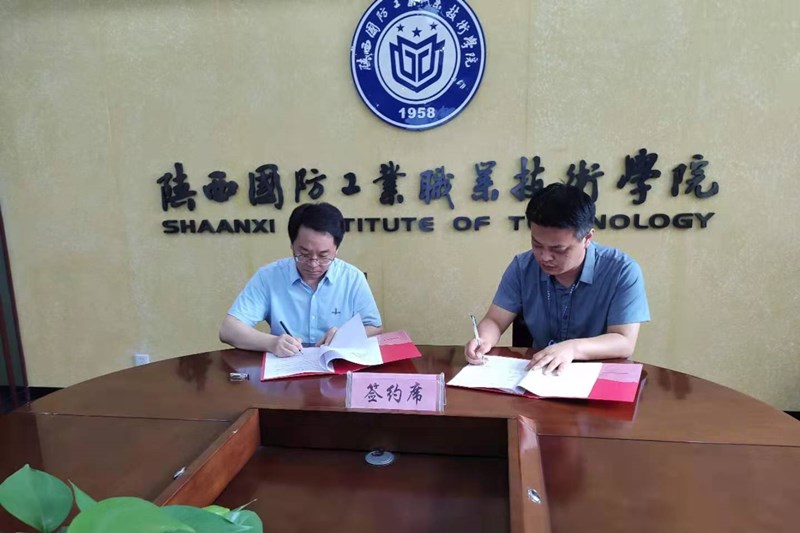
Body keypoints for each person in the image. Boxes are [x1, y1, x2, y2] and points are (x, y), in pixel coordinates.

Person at [465, 183, 649, 374]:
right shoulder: (522, 267)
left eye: (558, 249)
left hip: (599, 375)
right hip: (540, 373)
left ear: (587, 238)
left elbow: (624, 341)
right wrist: (484, 339)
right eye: (537, 244)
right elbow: (495, 320)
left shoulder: (622, 271)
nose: (544, 257)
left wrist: (572, 348)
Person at [220, 202, 382, 356]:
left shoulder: (352, 278)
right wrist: (272, 343)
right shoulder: (269, 277)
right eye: (304, 254)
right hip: (286, 370)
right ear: (292, 245)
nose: (313, 263)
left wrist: (345, 336)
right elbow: (229, 330)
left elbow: (374, 328)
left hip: (337, 368)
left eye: (323, 256)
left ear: (336, 250)